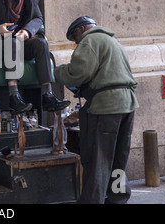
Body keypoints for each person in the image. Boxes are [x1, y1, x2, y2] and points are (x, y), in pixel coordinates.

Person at [54, 16, 139, 204]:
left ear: (83, 28)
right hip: (127, 105)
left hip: (106, 106)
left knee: (99, 160)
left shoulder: (90, 40)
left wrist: (57, 71)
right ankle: (118, 198)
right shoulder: (113, 41)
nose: (76, 42)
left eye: (75, 37)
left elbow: (78, 72)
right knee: (118, 158)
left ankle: (93, 201)